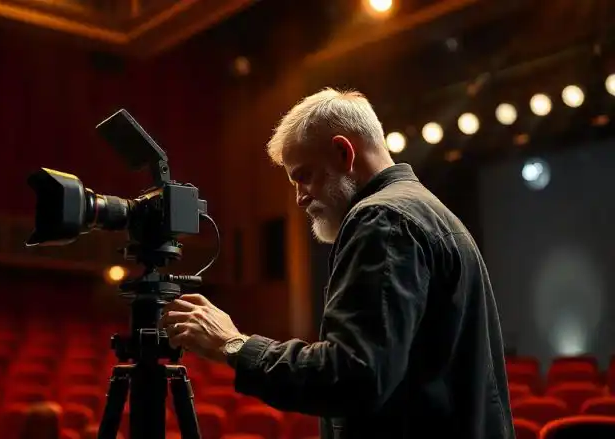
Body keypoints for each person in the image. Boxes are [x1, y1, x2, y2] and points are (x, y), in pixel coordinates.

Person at [159, 88, 515, 439]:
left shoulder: (383, 218)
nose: (299, 199)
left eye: (303, 176)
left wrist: (234, 345)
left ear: (344, 153)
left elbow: (354, 376)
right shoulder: (424, 211)